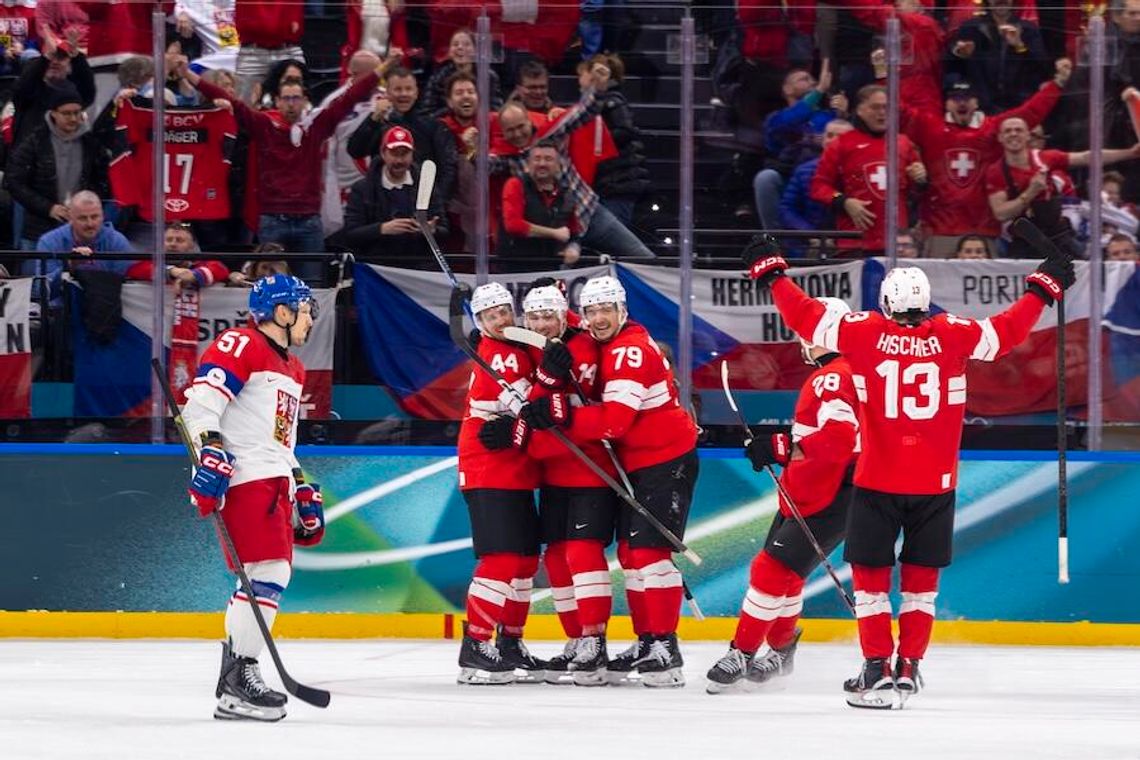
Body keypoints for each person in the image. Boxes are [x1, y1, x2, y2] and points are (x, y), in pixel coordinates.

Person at [744, 233, 1075, 708]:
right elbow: (1007, 331)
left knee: (873, 584)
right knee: (921, 588)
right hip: (935, 485)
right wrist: (1043, 288)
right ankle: (910, 668)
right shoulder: (953, 333)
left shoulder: (863, 333)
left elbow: (806, 317)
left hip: (878, 482)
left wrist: (772, 272)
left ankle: (876, 669)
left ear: (885, 301)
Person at [522, 275, 699, 687]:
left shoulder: (629, 352)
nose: (599, 318)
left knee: (650, 556)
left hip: (665, 460)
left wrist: (562, 413)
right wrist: (553, 301)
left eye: (606, 310)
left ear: (623, 311)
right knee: (635, 554)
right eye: (591, 311)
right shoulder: (607, 342)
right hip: (641, 464)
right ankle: (648, 640)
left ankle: (665, 647)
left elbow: (616, 422)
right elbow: (561, 331)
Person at [180, 274, 324, 721]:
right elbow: (199, 406)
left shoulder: (293, 368)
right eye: (303, 309)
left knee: (270, 576)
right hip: (244, 477)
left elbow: (282, 439)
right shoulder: (240, 344)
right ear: (281, 313)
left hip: (272, 476)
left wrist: (298, 480)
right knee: (267, 573)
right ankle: (237, 678)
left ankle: (238, 676)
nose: (309, 319)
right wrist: (211, 452)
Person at [707, 298, 859, 694]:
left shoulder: (834, 375)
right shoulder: (847, 371)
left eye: (805, 329)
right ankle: (781, 650)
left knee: (770, 571)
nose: (798, 338)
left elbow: (840, 441)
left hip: (833, 490)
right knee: (787, 576)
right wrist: (785, 447)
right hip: (819, 490)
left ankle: (742, 651)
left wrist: (779, 447)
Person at [482, 283, 618, 685]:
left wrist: (528, 419)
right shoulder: (532, 347)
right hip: (554, 470)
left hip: (590, 466)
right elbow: (536, 405)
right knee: (557, 557)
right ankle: (577, 639)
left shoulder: (581, 346)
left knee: (581, 551)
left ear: (563, 316)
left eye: (549, 316)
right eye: (534, 317)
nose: (541, 324)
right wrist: (487, 336)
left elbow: (548, 410)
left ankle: (595, 640)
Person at [175, 53, 392, 274]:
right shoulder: (264, 125)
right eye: (286, 98)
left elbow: (350, 97)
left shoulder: (315, 127)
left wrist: (387, 66)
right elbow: (231, 101)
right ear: (277, 101)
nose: (291, 104)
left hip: (308, 220)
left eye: (296, 98)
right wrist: (188, 75)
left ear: (305, 100)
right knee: (269, 285)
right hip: (272, 220)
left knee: (312, 288)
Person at [452, 282, 546, 685]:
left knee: (525, 561)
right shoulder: (499, 354)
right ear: (481, 322)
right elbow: (530, 406)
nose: (502, 320)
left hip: (514, 468)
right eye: (492, 316)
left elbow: (541, 340)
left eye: (506, 311)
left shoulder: (513, 342)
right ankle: (476, 645)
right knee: (504, 559)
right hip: (489, 468)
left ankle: (510, 642)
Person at [893, 61, 1068, 258]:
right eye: (956, 98)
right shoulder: (929, 127)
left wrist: (1058, 83)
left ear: (976, 103)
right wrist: (884, 74)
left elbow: (1029, 113)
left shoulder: (992, 129)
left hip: (984, 231)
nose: (962, 103)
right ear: (947, 103)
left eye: (967, 98)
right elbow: (898, 112)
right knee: (940, 288)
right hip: (940, 231)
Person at [984, 117, 1140, 258]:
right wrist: (1030, 193)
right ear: (1000, 137)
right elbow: (1000, 213)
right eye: (1008, 131)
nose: (1013, 134)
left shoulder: (1045, 158)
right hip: (1025, 242)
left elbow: (1086, 157)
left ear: (1027, 136)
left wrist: (1129, 153)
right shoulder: (995, 171)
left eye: (1018, 130)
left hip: (1057, 237)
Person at [809, 85, 927, 257]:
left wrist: (921, 180)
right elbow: (819, 186)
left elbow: (916, 193)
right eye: (875, 107)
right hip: (855, 241)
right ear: (860, 110)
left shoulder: (903, 144)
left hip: (896, 242)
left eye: (886, 107)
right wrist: (844, 201)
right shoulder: (841, 144)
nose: (881, 112)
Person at [7, 81, 108, 250]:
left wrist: (83, 207)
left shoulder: (91, 143)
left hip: (80, 230)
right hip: (38, 227)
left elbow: (102, 180)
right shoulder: (35, 141)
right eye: (67, 113)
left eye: (77, 112)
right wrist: (48, 208)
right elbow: (14, 181)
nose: (73, 118)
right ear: (53, 113)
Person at [346, 65, 460, 204]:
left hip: (424, 204)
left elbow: (448, 168)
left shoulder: (433, 126)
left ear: (416, 92)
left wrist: (435, 203)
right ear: (387, 92)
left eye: (408, 89)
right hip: (383, 205)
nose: (404, 94)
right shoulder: (378, 124)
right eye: (398, 89)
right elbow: (355, 151)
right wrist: (372, 120)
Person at [340, 126, 447, 267]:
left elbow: (444, 229)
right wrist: (382, 229)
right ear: (383, 153)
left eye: (404, 154)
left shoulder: (426, 186)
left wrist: (431, 230)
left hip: (419, 266)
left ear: (412, 154)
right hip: (377, 267)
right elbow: (350, 234)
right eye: (394, 154)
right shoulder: (363, 189)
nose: (399, 160)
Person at [497, 142, 580, 271]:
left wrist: (573, 248)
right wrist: (553, 233)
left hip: (551, 268)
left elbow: (574, 233)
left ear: (559, 166)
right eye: (537, 159)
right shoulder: (515, 185)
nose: (542, 164)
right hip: (515, 269)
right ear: (529, 164)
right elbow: (513, 225)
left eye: (548, 159)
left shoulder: (566, 194)